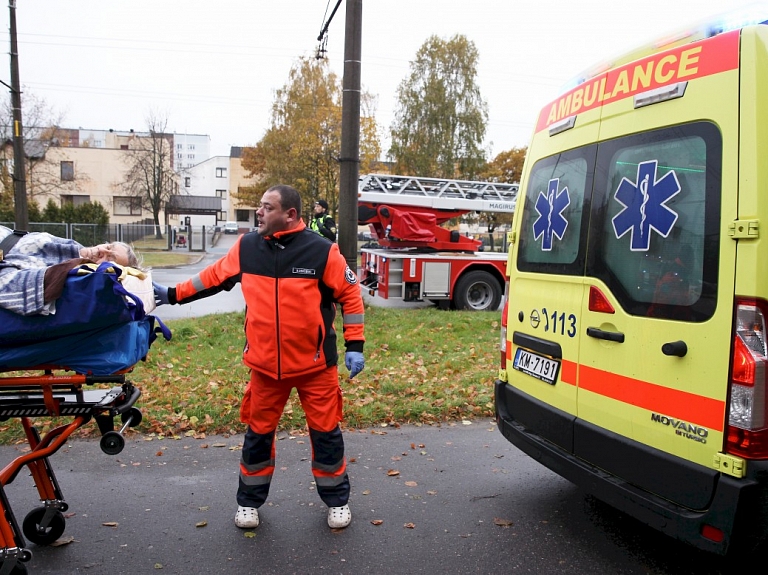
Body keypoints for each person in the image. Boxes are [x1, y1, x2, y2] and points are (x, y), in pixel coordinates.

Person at [152, 185, 365, 530]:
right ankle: (248, 504)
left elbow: (350, 296)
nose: (259, 213)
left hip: (315, 368)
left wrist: (355, 345)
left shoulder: (322, 252)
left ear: (290, 215)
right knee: (258, 437)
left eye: (267, 207)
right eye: (259, 207)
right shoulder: (247, 247)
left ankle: (337, 502)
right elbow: (212, 277)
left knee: (326, 435)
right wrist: (173, 294)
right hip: (265, 368)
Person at [0, 225, 138, 316]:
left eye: (110, 257)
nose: (102, 250)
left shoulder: (68, 271)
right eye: (108, 246)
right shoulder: (70, 247)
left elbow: (9, 282)